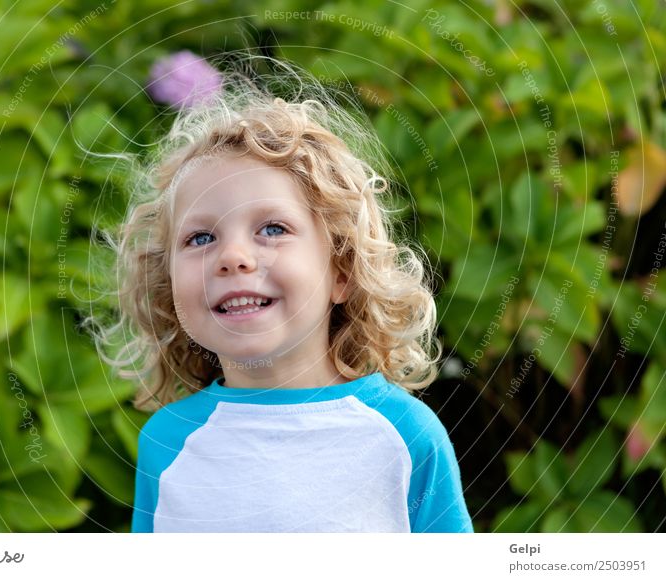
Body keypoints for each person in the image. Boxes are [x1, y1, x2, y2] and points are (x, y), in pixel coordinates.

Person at [90, 55, 472, 533]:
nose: (233, 256)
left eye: (272, 228)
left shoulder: (404, 437)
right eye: (200, 238)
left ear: (342, 272)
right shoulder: (168, 443)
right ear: (169, 285)